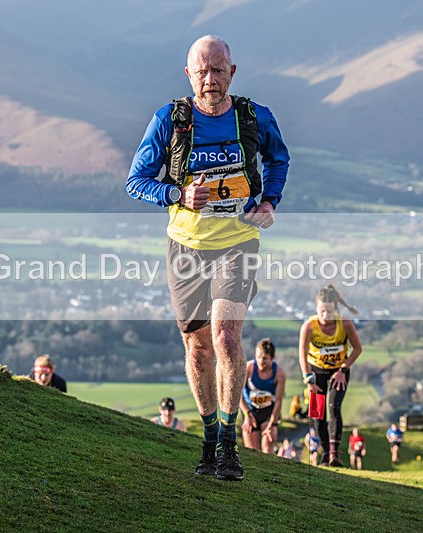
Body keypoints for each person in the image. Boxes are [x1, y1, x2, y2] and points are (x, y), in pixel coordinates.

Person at [127, 35, 290, 481]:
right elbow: (136, 181)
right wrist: (178, 192)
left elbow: (279, 159)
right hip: (185, 248)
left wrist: (269, 201)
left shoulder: (254, 117)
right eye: (202, 70)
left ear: (232, 73)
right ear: (188, 74)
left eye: (218, 70)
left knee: (225, 336)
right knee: (198, 351)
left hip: (237, 243)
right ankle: (208, 436)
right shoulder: (170, 120)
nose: (210, 79)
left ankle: (230, 443)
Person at [298, 285, 363, 467]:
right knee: (317, 413)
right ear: (316, 308)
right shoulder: (309, 326)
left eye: (329, 312)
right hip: (316, 372)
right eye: (321, 311)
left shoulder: (345, 324)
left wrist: (343, 369)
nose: (325, 316)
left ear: (336, 309)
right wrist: (309, 380)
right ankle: (325, 453)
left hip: (338, 372)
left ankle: (335, 454)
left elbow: (357, 349)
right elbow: (302, 355)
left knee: (334, 408)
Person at [240, 338, 287, 454]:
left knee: (267, 450)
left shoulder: (279, 374)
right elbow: (237, 394)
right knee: (251, 451)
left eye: (265, 358)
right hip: (250, 411)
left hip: (268, 412)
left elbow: (278, 401)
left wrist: (273, 423)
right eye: (258, 357)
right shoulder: (249, 369)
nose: (261, 361)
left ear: (272, 358)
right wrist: (247, 414)